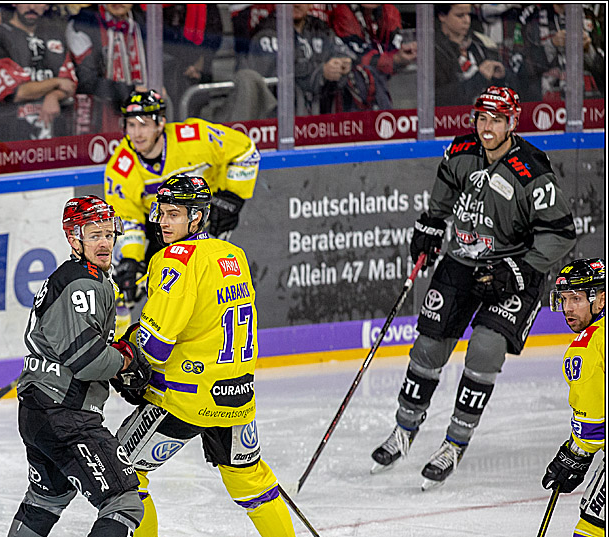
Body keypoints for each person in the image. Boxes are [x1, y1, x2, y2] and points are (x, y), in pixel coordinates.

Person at [111, 174, 323, 537]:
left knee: (124, 469)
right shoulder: (232, 254)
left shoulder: (175, 260)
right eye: (161, 213)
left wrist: (121, 357)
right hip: (236, 395)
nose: (162, 221)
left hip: (183, 398)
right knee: (251, 481)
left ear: (197, 217)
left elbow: (154, 345)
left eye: (173, 214)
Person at [370, 86, 577, 490]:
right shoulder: (461, 150)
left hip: (513, 269)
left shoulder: (532, 170)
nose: (487, 128)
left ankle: (454, 443)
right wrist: (430, 226)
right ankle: (404, 429)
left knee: (485, 347)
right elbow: (443, 197)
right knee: (429, 346)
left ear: (512, 123)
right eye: (482, 119)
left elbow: (560, 233)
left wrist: (518, 269)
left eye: (496, 120)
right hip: (462, 262)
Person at [0, 196, 151, 537]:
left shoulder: (78, 277)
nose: (105, 243)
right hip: (65, 415)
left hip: (38, 412)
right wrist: (127, 360)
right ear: (74, 238)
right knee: (122, 499)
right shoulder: (82, 282)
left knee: (48, 496)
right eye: (95, 235)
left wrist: (116, 360)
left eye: (109, 234)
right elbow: (86, 358)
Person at [103, 87, 259, 313]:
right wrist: (131, 259)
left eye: (144, 124)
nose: (137, 133)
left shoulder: (194, 138)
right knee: (130, 287)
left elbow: (245, 151)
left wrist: (231, 198)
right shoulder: (120, 169)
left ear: (160, 124)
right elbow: (129, 219)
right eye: (131, 125)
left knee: (208, 281)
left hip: (204, 218)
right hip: (160, 225)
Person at [543, 258, 605, 537]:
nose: (568, 308)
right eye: (563, 299)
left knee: (592, 533)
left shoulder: (586, 347)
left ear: (600, 298)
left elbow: (593, 428)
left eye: (576, 299)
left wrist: (573, 456)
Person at [246, 4, 376, 115]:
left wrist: (341, 64)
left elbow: (344, 53)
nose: (297, 4)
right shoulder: (266, 31)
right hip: (278, 120)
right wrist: (321, 71)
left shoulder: (319, 27)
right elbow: (282, 71)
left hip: (317, 121)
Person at [0, 3, 77, 142]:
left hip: (55, 135)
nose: (32, 7)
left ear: (46, 6)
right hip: (10, 136)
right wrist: (56, 82)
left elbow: (69, 84)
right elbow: (17, 92)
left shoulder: (55, 34)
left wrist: (54, 96)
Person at [65, 3, 146, 134]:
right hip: (94, 113)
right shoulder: (82, 22)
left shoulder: (143, 22)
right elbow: (86, 80)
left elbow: (171, 54)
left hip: (137, 113)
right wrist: (133, 92)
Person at [329, 3, 417, 110]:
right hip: (353, 98)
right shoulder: (343, 11)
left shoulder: (389, 11)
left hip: (392, 91)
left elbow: (396, 47)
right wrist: (394, 59)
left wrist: (406, 51)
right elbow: (358, 57)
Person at [433, 4, 507, 107]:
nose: (467, 20)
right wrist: (479, 79)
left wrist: (501, 78)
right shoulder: (432, 50)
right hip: (453, 115)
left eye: (468, 14)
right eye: (460, 15)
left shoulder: (482, 43)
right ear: (442, 16)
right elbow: (439, 98)